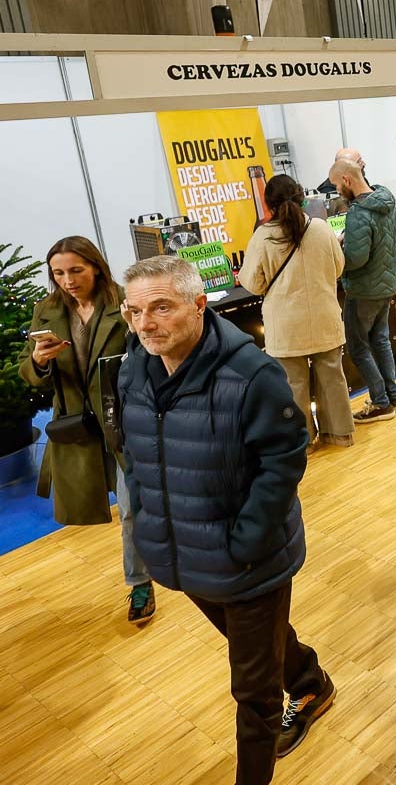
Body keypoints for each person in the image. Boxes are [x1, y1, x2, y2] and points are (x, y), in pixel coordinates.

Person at [118, 255, 334, 785]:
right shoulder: (133, 368)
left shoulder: (251, 374)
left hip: (249, 560)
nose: (146, 324)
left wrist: (247, 541)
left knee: (253, 691)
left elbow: (284, 460)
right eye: (134, 312)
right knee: (256, 641)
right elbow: (135, 452)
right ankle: (311, 682)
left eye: (161, 308)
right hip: (183, 552)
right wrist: (146, 518)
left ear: (199, 305)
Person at [20, 236, 155, 624]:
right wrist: (39, 361)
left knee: (131, 508)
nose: (68, 280)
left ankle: (140, 583)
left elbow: (153, 353)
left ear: (95, 266)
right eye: (59, 273)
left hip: (124, 421)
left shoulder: (123, 301)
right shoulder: (46, 310)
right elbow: (28, 373)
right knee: (107, 502)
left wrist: (136, 332)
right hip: (77, 426)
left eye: (76, 270)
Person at [238, 174, 355, 454]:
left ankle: (303, 442)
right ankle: (340, 433)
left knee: (293, 385)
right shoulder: (321, 229)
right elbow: (339, 267)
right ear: (302, 197)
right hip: (324, 316)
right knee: (332, 378)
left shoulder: (263, 237)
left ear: (269, 205)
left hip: (285, 324)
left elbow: (252, 283)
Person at [330, 159, 396, 422]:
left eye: (337, 185)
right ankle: (392, 395)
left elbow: (356, 258)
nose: (337, 191)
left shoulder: (359, 213)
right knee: (380, 340)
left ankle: (381, 402)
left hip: (363, 290)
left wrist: (337, 250)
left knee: (359, 348)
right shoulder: (386, 201)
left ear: (346, 179)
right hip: (386, 285)